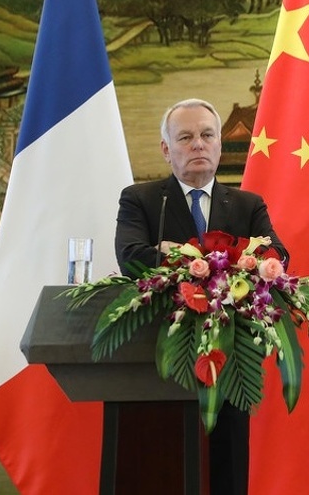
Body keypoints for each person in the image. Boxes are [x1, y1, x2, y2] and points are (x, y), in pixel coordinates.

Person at [114, 98, 288, 495]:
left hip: (231, 357)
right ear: (166, 148)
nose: (198, 145)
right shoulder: (141, 199)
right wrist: (207, 260)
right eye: (186, 137)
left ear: (219, 146)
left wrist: (175, 253)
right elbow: (130, 257)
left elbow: (277, 256)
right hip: (160, 358)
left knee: (227, 468)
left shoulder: (248, 204)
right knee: (165, 467)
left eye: (207, 135)